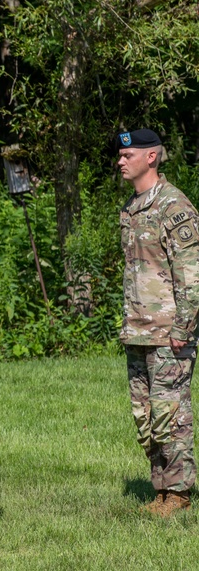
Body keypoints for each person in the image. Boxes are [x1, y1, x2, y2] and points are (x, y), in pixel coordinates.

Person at [116, 129, 199, 517]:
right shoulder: (132, 207)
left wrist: (184, 329)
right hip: (138, 330)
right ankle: (161, 489)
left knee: (172, 411)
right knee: (146, 415)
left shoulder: (174, 207)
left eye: (128, 154)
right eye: (120, 154)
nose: (120, 160)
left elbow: (191, 276)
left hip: (170, 333)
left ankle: (179, 492)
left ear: (151, 158)